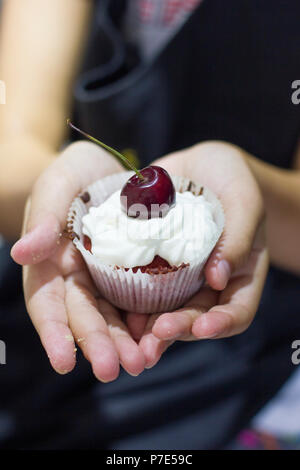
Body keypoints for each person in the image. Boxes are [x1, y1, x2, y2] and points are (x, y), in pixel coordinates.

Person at [1, 0, 300, 449]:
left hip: (239, 331)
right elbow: (12, 147)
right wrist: (56, 190)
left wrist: (248, 184)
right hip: (55, 278)